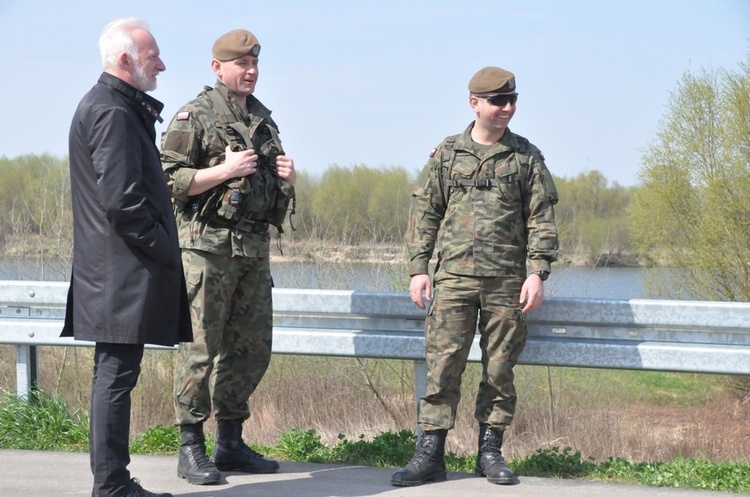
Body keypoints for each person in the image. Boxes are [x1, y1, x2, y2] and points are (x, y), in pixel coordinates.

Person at [392, 66, 559, 487]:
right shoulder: (447, 154)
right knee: (442, 367)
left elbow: (541, 218)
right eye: (498, 101)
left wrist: (537, 271)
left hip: (506, 281)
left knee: (499, 370)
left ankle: (490, 452)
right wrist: (418, 268)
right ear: (475, 104)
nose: (507, 108)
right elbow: (425, 212)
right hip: (453, 279)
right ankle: (430, 454)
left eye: (512, 100)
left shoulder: (525, 157)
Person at [62, 18, 192, 497]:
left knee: (111, 377)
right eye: (153, 55)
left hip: (111, 273)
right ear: (125, 60)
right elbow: (123, 204)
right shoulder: (113, 112)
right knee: (115, 378)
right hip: (121, 274)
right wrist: (166, 252)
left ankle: (110, 482)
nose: (162, 64)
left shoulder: (108, 106)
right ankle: (112, 486)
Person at [160, 28, 296, 485]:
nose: (251, 71)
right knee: (200, 350)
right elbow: (168, 180)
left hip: (253, 250)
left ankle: (230, 442)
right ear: (218, 68)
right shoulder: (194, 114)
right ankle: (190, 445)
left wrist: (288, 176)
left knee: (252, 349)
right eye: (241, 64)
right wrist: (224, 171)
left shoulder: (262, 119)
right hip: (207, 250)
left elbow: (265, 184)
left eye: (255, 63)